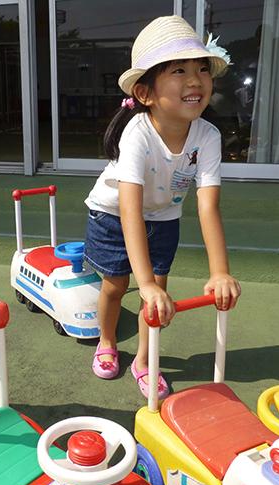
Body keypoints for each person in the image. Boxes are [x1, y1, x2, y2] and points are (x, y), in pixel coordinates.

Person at [83, 16, 241, 398]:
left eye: (203, 69)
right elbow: (129, 211)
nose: (195, 80)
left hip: (164, 215)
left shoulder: (208, 136)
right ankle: (107, 340)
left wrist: (219, 272)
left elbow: (207, 207)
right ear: (145, 93)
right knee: (116, 286)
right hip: (112, 213)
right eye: (178, 70)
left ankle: (143, 360)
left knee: (158, 294)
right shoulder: (136, 134)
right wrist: (146, 283)